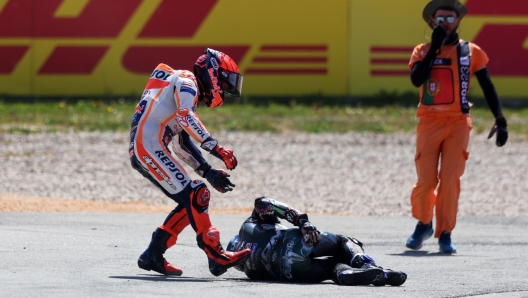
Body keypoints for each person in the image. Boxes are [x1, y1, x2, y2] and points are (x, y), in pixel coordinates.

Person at [129, 48, 250, 277]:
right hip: (148, 146)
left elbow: (181, 144)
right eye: (224, 85)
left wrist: (208, 172)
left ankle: (152, 255)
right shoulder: (187, 80)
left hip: (148, 146)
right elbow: (185, 116)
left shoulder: (181, 88)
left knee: (191, 200)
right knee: (197, 194)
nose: (223, 91)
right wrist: (217, 148)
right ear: (213, 73)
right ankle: (216, 255)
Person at [406, 0, 509, 254]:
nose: (446, 24)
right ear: (432, 22)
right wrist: (435, 49)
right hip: (429, 121)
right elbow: (417, 79)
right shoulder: (421, 50)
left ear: (458, 21)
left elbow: (487, 85)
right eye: (440, 20)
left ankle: (446, 233)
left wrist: (500, 118)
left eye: (450, 19)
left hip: (458, 122)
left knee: (450, 179)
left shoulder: (470, 52)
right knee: (426, 181)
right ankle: (424, 223)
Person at [226, 197, 407, 286]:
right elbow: (263, 202)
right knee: (343, 241)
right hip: (297, 243)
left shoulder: (250, 273)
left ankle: (346, 274)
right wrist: (302, 222)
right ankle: (366, 265)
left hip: (295, 274)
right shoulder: (249, 225)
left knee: (333, 268)